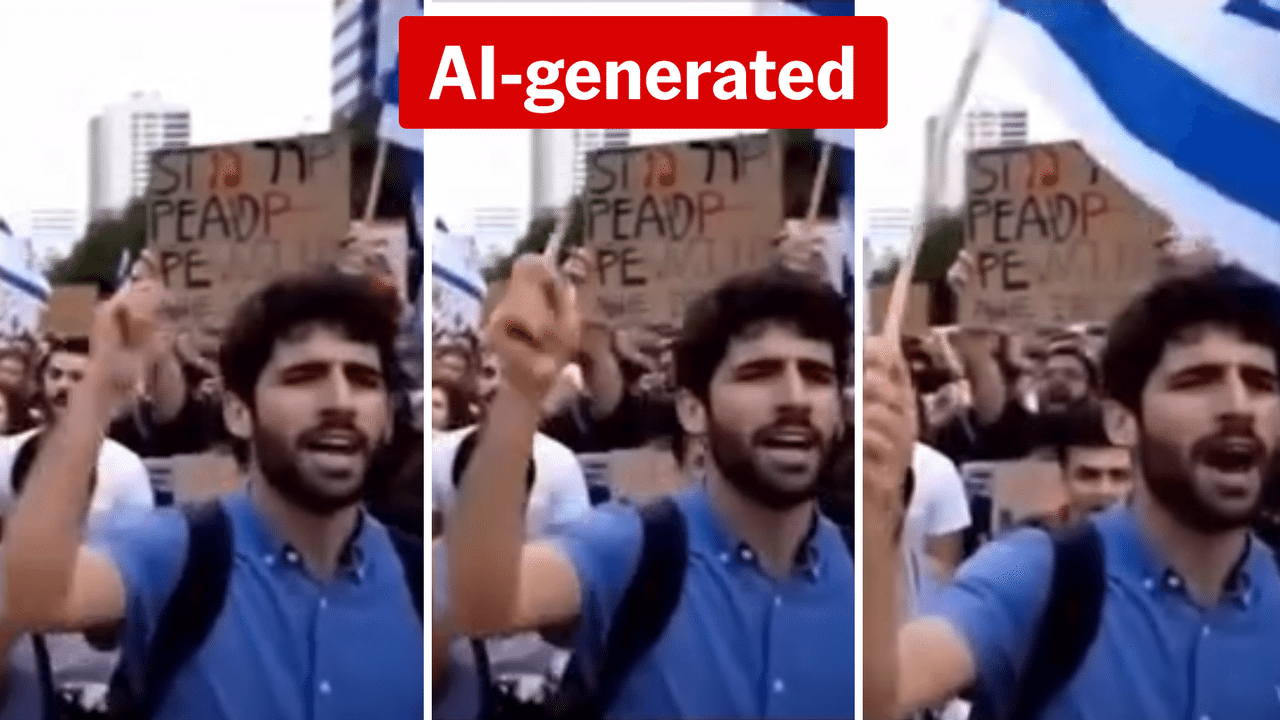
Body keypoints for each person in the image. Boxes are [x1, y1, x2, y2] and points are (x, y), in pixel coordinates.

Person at [0, 270, 424, 720]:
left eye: (363, 379)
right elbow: (29, 597)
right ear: (239, 413)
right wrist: (101, 383)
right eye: (304, 376)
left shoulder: (423, 582)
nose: (340, 401)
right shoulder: (178, 555)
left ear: (389, 421)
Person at [864, 264, 1280, 720]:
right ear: (1122, 422)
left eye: (1262, 383)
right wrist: (877, 506)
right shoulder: (1040, 575)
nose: (1238, 407)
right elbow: (876, 697)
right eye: (1198, 381)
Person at [446, 257, 856, 718]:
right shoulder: (637, 550)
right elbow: (480, 604)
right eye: (759, 374)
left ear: (840, 414)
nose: (796, 399)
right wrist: (523, 389)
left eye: (817, 376)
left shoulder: (869, 580)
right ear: (693, 410)